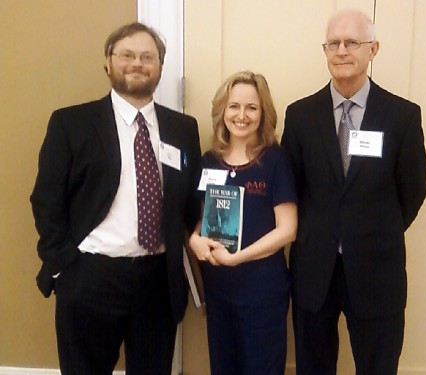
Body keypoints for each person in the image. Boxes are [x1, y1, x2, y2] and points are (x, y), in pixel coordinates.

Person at [30, 22, 201, 374]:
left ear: (160, 67)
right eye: (127, 55)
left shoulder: (184, 129)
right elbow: (47, 201)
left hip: (157, 280)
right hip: (90, 277)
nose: (137, 63)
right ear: (108, 63)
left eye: (147, 56)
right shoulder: (70, 123)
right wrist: (64, 267)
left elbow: (190, 204)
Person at [281, 9, 426, 375]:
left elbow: (413, 188)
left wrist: (373, 227)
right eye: (334, 43)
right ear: (325, 50)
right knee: (313, 365)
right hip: (315, 269)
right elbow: (291, 187)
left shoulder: (402, 116)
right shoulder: (300, 115)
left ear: (373, 49)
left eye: (352, 42)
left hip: (377, 268)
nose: (342, 50)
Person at [188, 71, 297, 374]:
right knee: (223, 366)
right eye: (234, 106)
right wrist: (194, 238)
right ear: (222, 111)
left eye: (252, 107)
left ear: (264, 114)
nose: (242, 115)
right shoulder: (209, 160)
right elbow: (202, 217)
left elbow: (287, 229)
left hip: (262, 289)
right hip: (219, 288)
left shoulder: (276, 160)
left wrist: (237, 258)